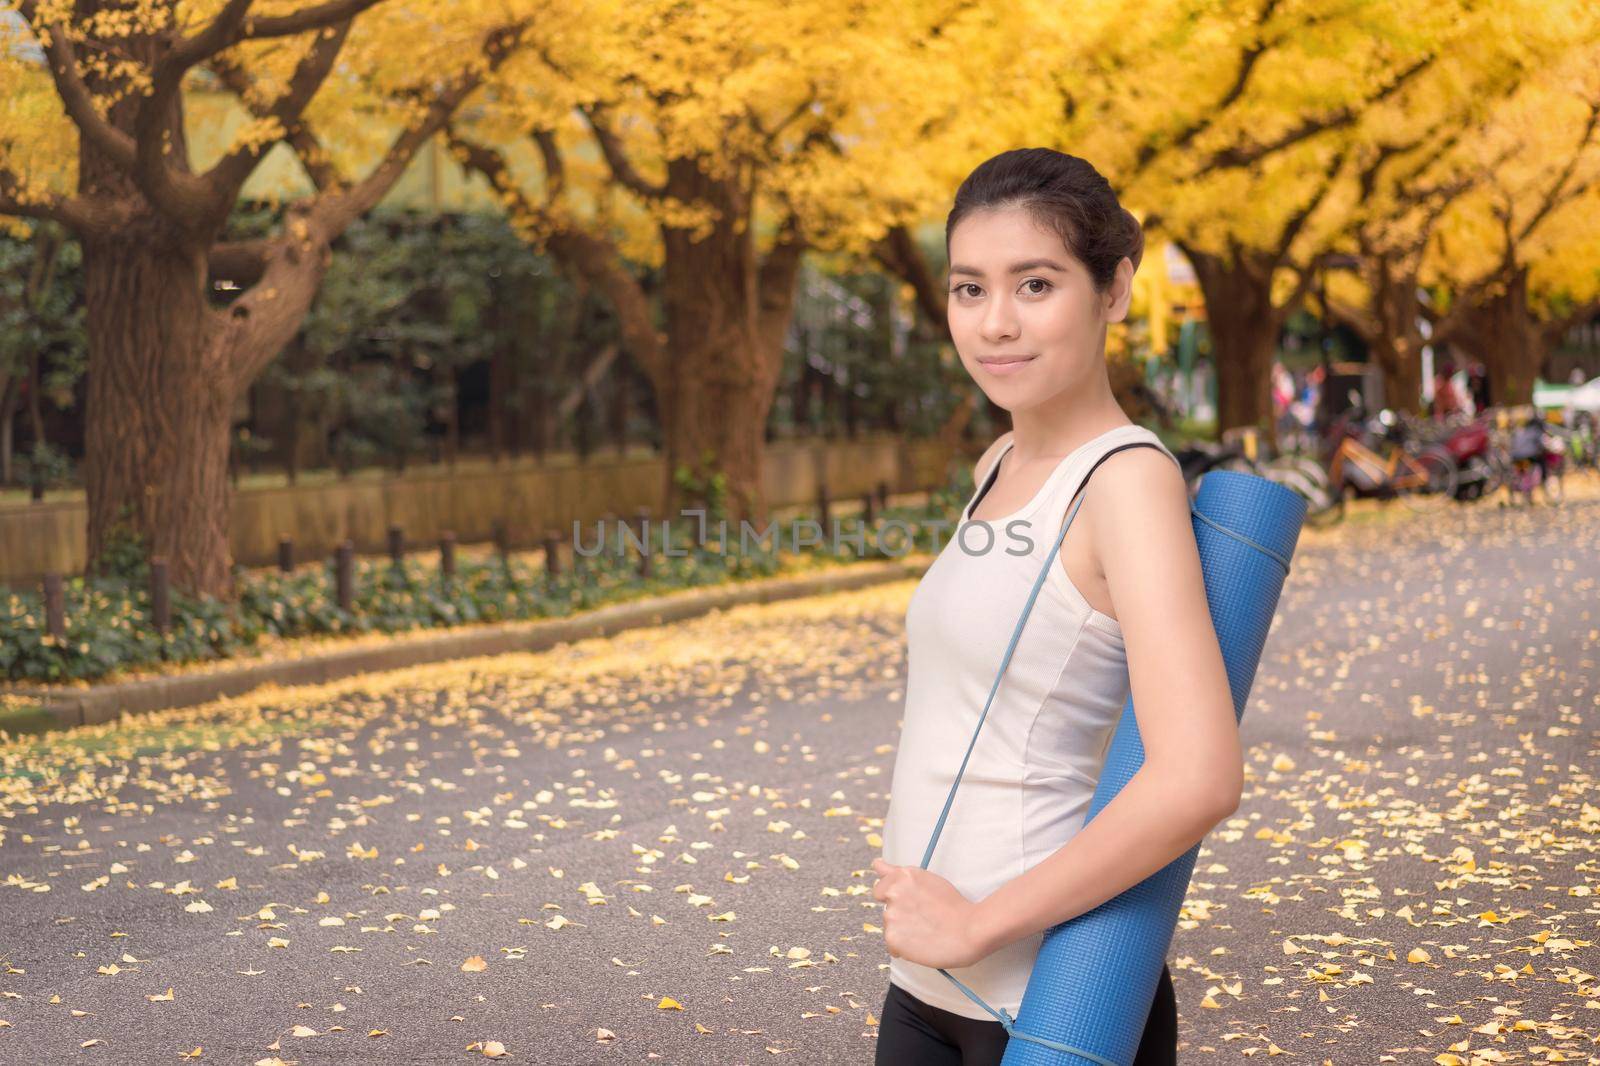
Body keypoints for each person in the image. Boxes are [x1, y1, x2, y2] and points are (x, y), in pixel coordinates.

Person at [871, 148, 1241, 1066]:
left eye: (1035, 284)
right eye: (969, 289)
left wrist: (977, 923)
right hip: (923, 989)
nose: (995, 324)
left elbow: (1198, 776)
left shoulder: (1125, 484)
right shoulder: (997, 464)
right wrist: (944, 935)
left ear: (1114, 288)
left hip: (1045, 1010)